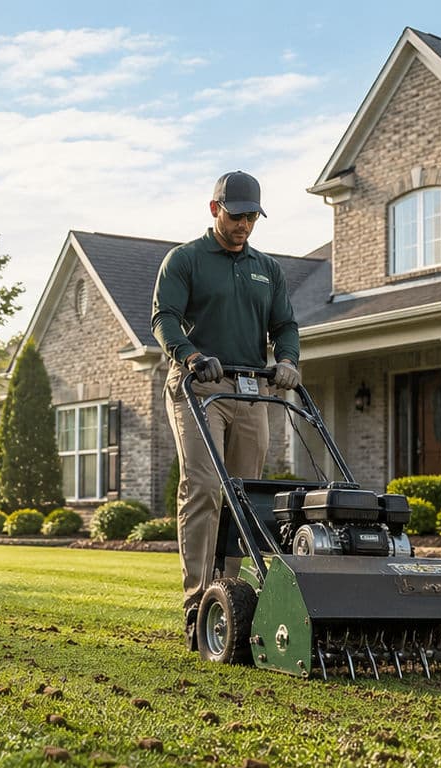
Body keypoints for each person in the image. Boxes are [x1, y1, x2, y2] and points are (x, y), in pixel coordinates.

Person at [151, 169, 301, 647]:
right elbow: (164, 318)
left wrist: (288, 361)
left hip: (249, 387)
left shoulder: (267, 268)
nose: (244, 226)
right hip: (198, 385)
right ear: (214, 209)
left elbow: (285, 325)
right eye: (236, 216)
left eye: (252, 217)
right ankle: (197, 602)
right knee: (205, 485)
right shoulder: (186, 260)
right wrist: (191, 355)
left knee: (243, 496)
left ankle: (230, 597)